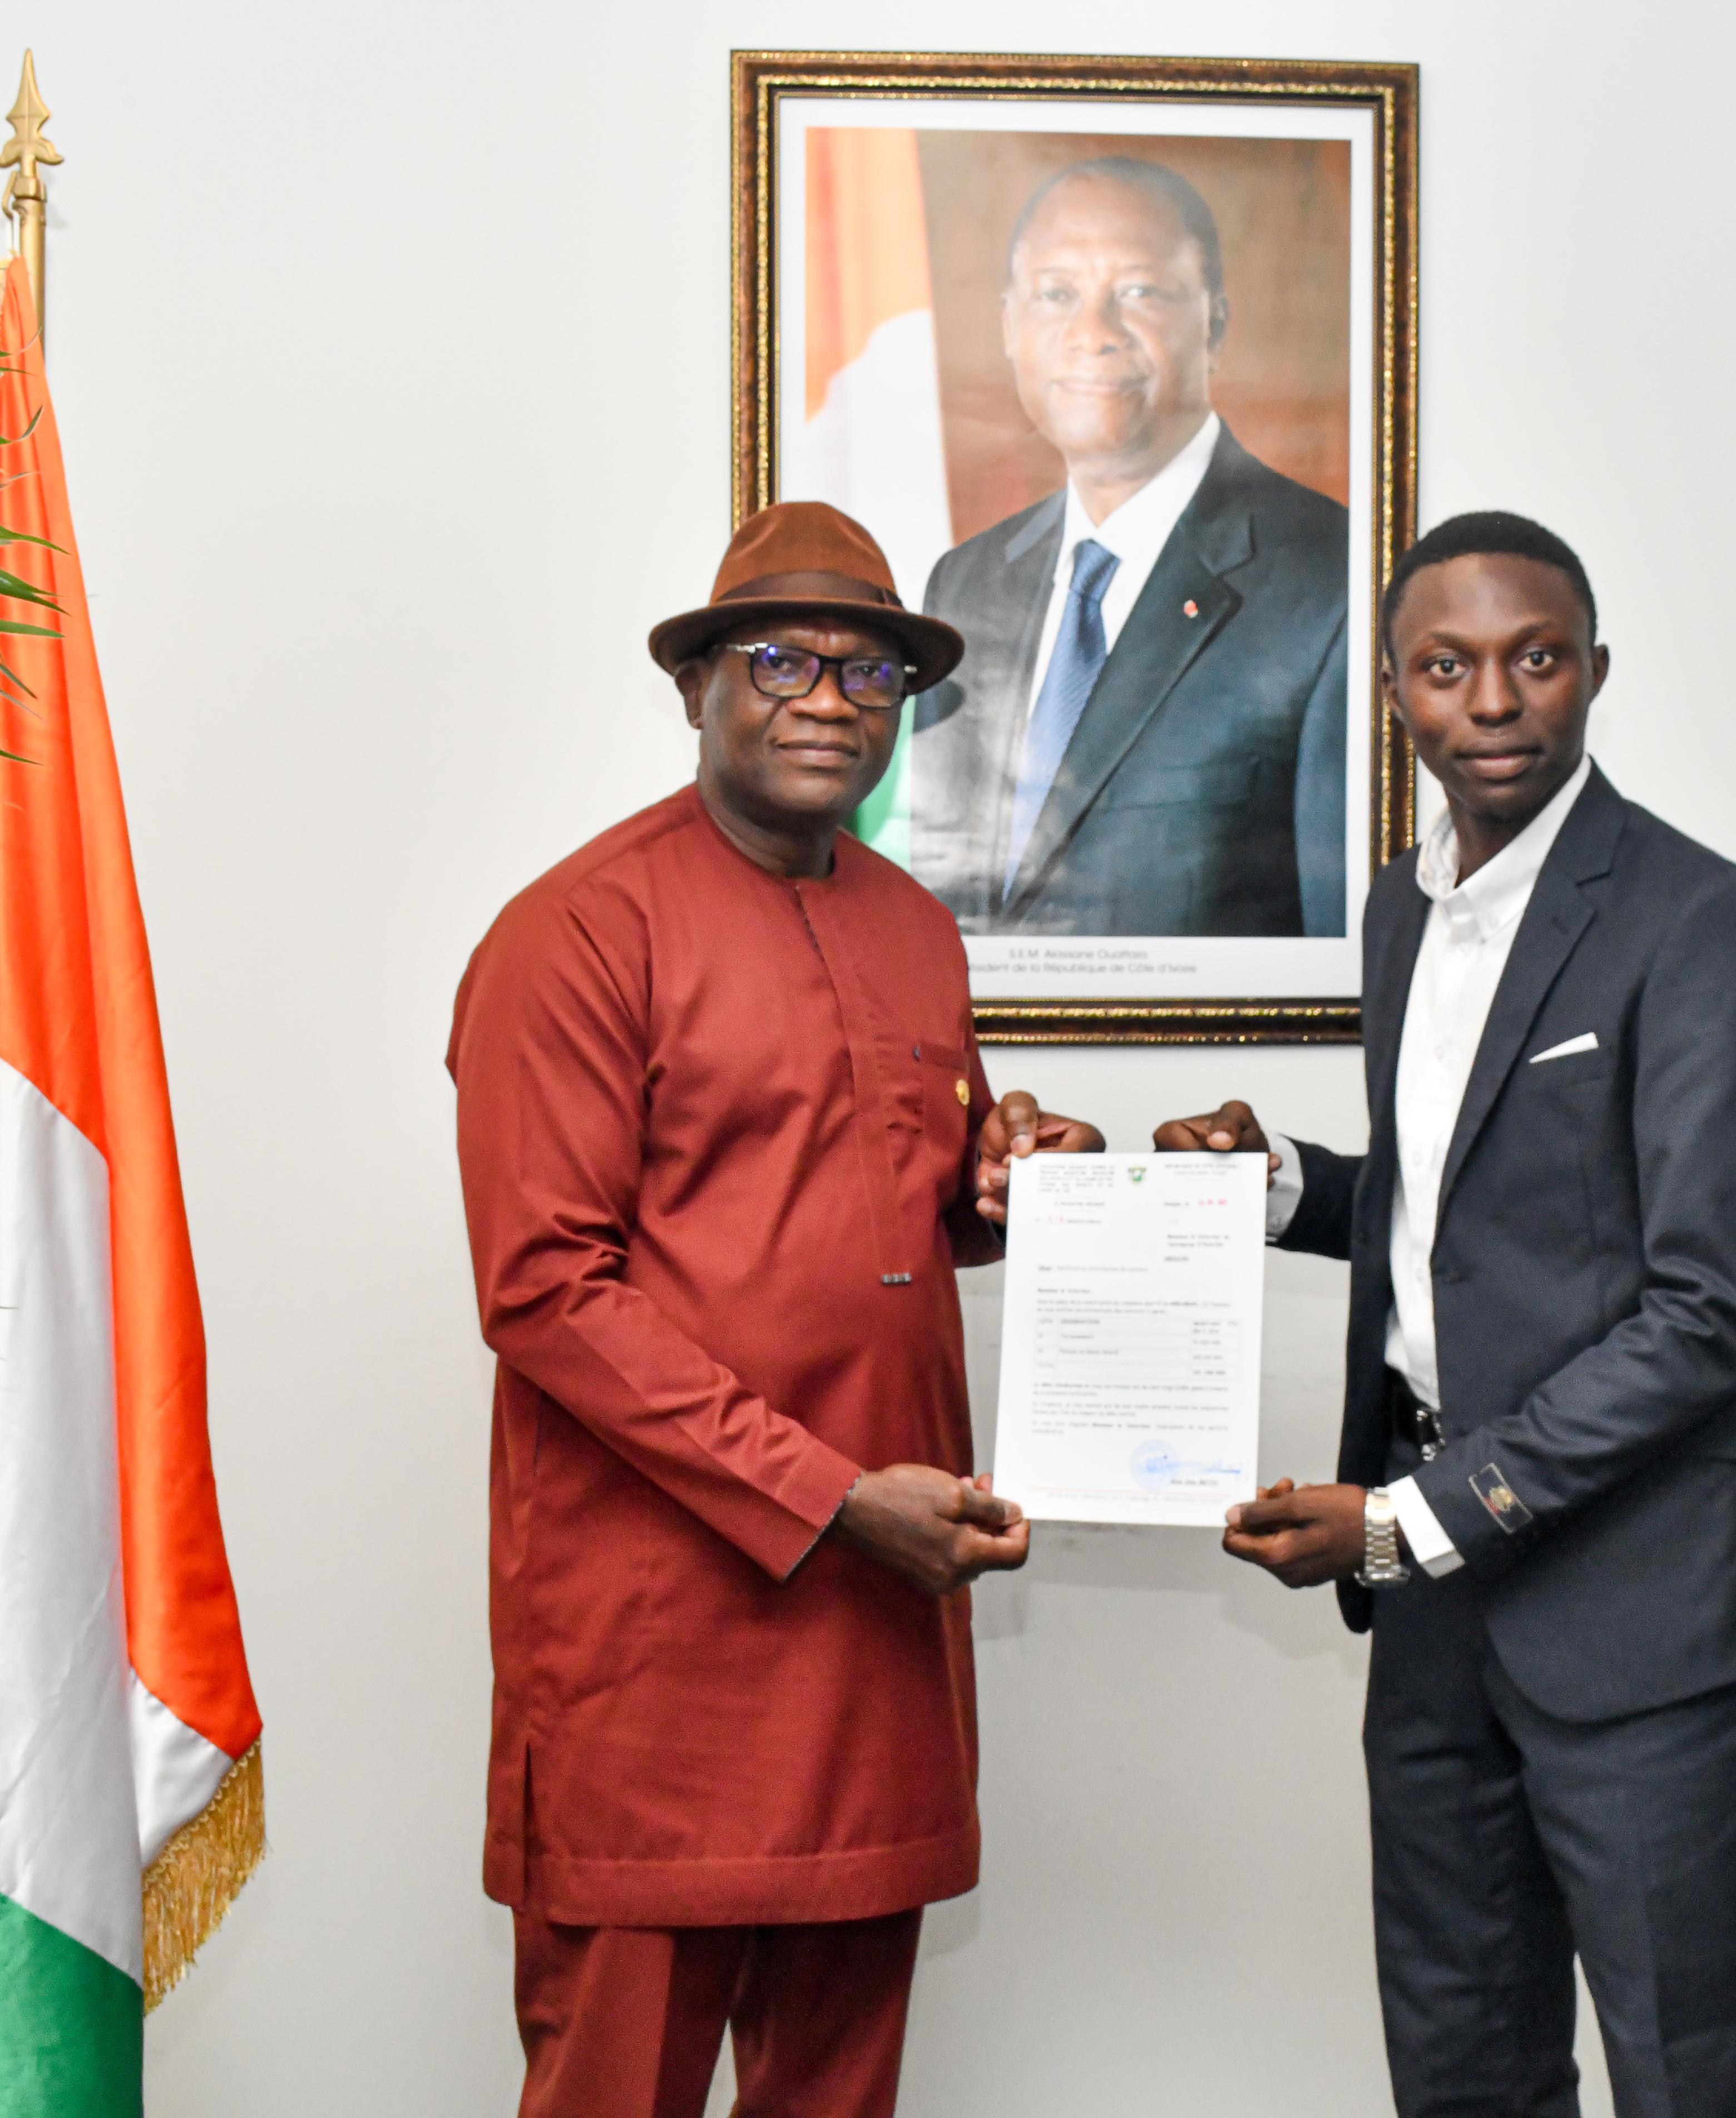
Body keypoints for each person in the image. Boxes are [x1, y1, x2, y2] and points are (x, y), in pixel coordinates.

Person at [1155, 512, 1736, 2117]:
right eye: (1447, 668)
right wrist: (1280, 1188)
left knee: (1692, 2076)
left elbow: (1710, 1312)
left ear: (1596, 671)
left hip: (1635, 1600)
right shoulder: (1404, 909)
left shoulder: (1713, 923)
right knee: (1461, 2066)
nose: (1496, 700)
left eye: (1537, 659)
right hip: (1435, 1618)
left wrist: (1404, 1522)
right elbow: (1464, 1211)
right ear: (1393, 693)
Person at [446, 501, 1101, 2118]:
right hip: (660, 1646)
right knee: (619, 2088)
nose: (829, 699)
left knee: (839, 2089)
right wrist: (829, 1497)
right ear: (697, 688)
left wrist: (1011, 1183)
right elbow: (544, 1292)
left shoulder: (913, 928)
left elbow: (894, 1205)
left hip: (877, 1625)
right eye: (782, 661)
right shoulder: (575, 932)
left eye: (869, 671)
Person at [910, 154, 1348, 939]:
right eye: (1057, 294)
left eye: (1140, 292)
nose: (1093, 334)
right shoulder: (965, 586)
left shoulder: (1334, 582)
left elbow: (1337, 951)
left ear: (1215, 325)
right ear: (1010, 326)